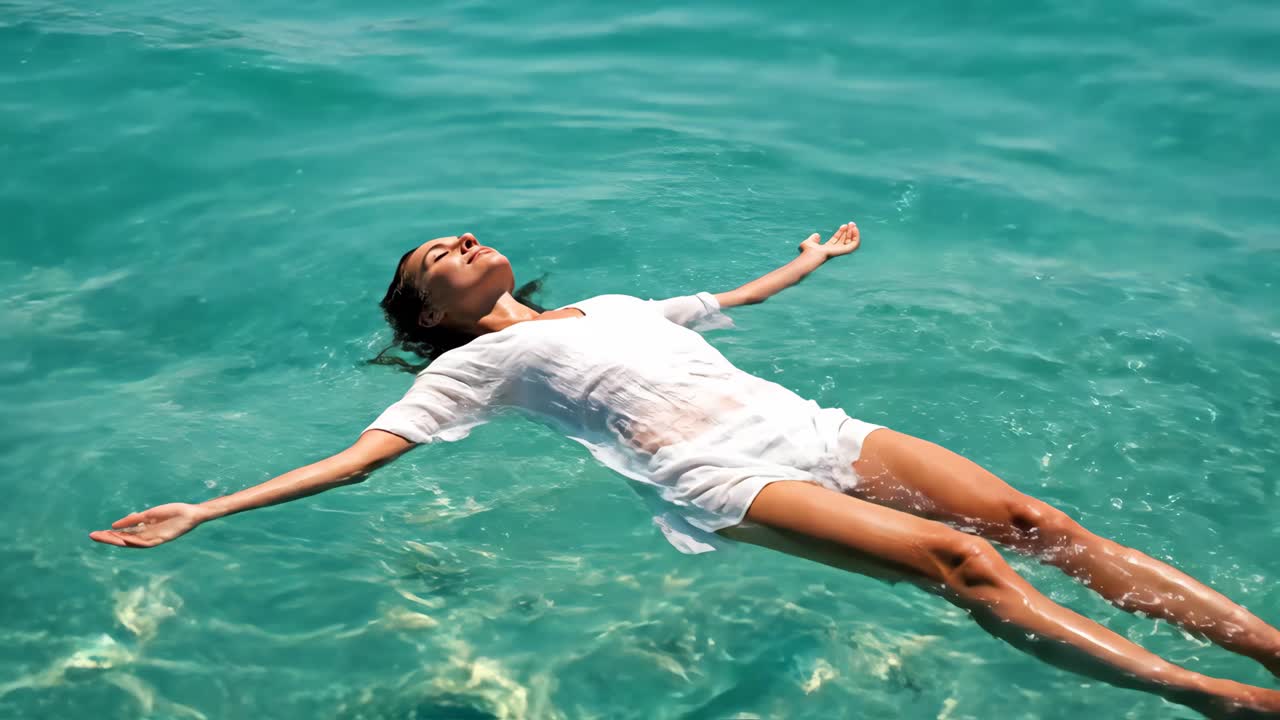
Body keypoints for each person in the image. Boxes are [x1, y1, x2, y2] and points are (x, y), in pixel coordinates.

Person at [91, 223, 1280, 717]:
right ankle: (1217, 702)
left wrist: (806, 261)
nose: (457, 242)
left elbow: (726, 300)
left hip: (808, 430)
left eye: (458, 233)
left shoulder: (606, 304)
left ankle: (1265, 646)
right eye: (431, 257)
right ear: (424, 312)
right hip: (720, 479)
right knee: (961, 565)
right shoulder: (462, 376)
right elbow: (355, 463)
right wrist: (210, 507)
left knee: (1035, 519)